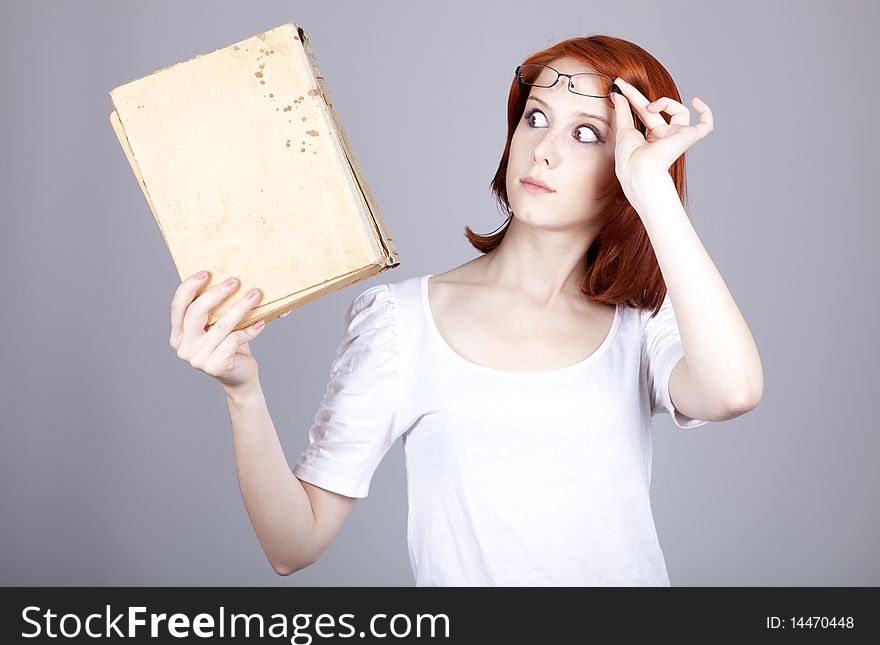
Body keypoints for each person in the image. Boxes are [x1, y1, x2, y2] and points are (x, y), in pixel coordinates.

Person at [169, 35, 763, 586]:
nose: (544, 150)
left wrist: (652, 187)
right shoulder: (401, 322)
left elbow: (732, 391)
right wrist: (242, 389)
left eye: (588, 134)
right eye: (536, 117)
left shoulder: (641, 323)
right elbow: (292, 545)